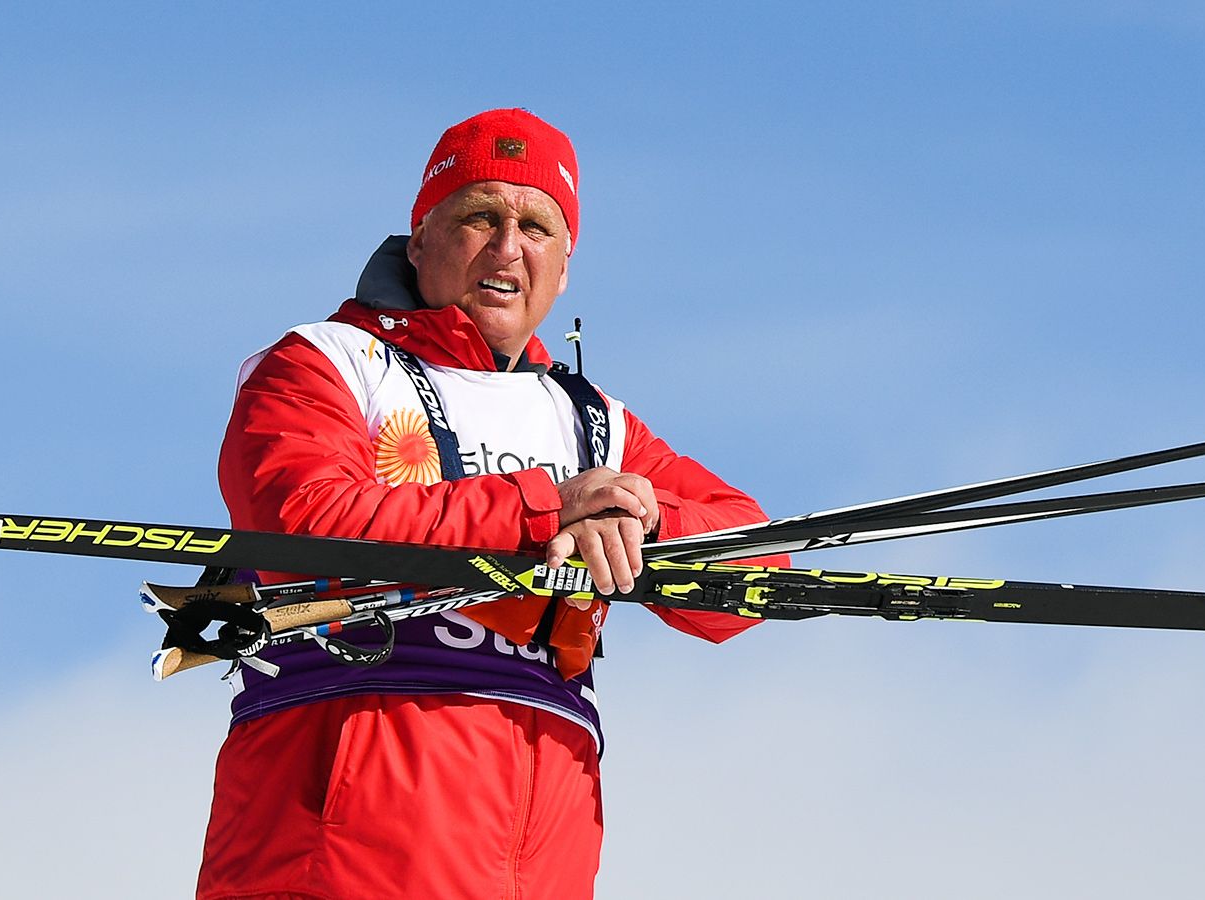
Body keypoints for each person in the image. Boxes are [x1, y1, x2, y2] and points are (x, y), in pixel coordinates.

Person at [196, 108, 786, 899]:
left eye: (537, 226)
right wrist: (545, 512)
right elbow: (300, 521)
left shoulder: (592, 422)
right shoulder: (325, 362)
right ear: (420, 240)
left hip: (543, 862)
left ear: (564, 268)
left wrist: (641, 520)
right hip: (338, 857)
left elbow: (757, 566)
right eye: (480, 216)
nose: (508, 247)